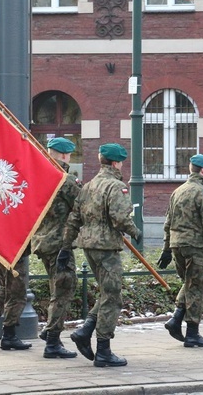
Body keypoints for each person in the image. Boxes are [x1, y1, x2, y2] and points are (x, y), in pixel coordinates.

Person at [57, 143, 141, 368]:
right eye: (121, 162)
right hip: (106, 247)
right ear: (116, 163)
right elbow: (120, 218)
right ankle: (103, 350)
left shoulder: (89, 185)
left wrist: (66, 247)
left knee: (107, 291)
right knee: (113, 296)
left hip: (89, 245)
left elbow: (74, 218)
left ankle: (85, 331)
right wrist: (135, 231)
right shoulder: (116, 186)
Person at [157, 154, 203, 348]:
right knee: (197, 287)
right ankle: (192, 333)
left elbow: (168, 222)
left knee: (189, 283)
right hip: (196, 246)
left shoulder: (178, 191)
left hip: (177, 245)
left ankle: (176, 319)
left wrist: (166, 249)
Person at [31, 137, 81, 359]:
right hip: (60, 244)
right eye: (69, 154)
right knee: (63, 289)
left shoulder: (37, 176)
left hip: (42, 241)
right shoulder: (65, 179)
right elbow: (83, 207)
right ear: (63, 155)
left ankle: (50, 332)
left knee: (57, 287)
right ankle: (52, 340)